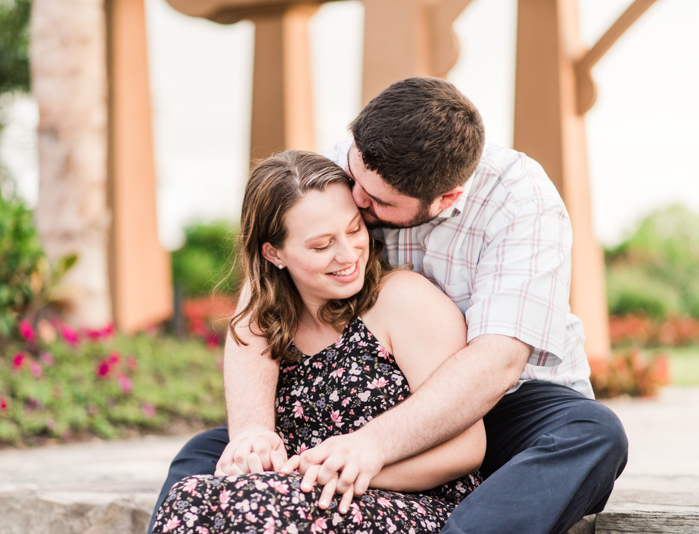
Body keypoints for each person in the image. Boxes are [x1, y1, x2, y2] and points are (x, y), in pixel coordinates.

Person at [149, 77, 628, 534]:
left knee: (592, 433)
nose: (355, 200)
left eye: (371, 206)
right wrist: (253, 431)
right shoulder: (354, 169)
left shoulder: (521, 203)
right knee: (205, 455)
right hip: (366, 400)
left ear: (447, 198)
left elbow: (497, 362)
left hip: (504, 399)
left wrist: (371, 446)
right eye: (354, 176)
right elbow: (262, 300)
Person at [151, 150, 484, 533]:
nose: (348, 254)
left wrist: (353, 472)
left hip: (408, 502)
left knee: (257, 507)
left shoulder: (404, 300)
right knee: (189, 497)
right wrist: (252, 449)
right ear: (274, 253)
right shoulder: (263, 315)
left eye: (355, 229)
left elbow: (468, 448)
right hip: (298, 498)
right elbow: (252, 432)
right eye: (322, 245)